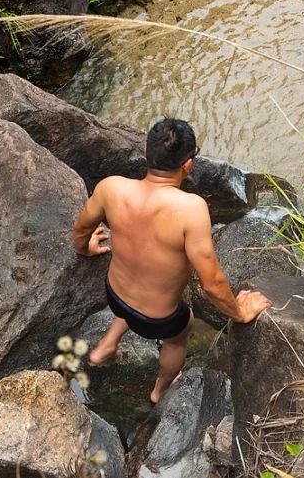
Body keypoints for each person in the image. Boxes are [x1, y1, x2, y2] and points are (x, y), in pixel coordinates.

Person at [71, 118, 272, 404]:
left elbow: (81, 228)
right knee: (180, 333)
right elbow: (212, 283)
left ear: (145, 150)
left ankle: (106, 345)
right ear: (188, 165)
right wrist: (239, 312)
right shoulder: (191, 210)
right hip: (158, 320)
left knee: (134, 290)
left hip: (114, 295)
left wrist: (85, 249)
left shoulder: (111, 188)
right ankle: (160, 390)